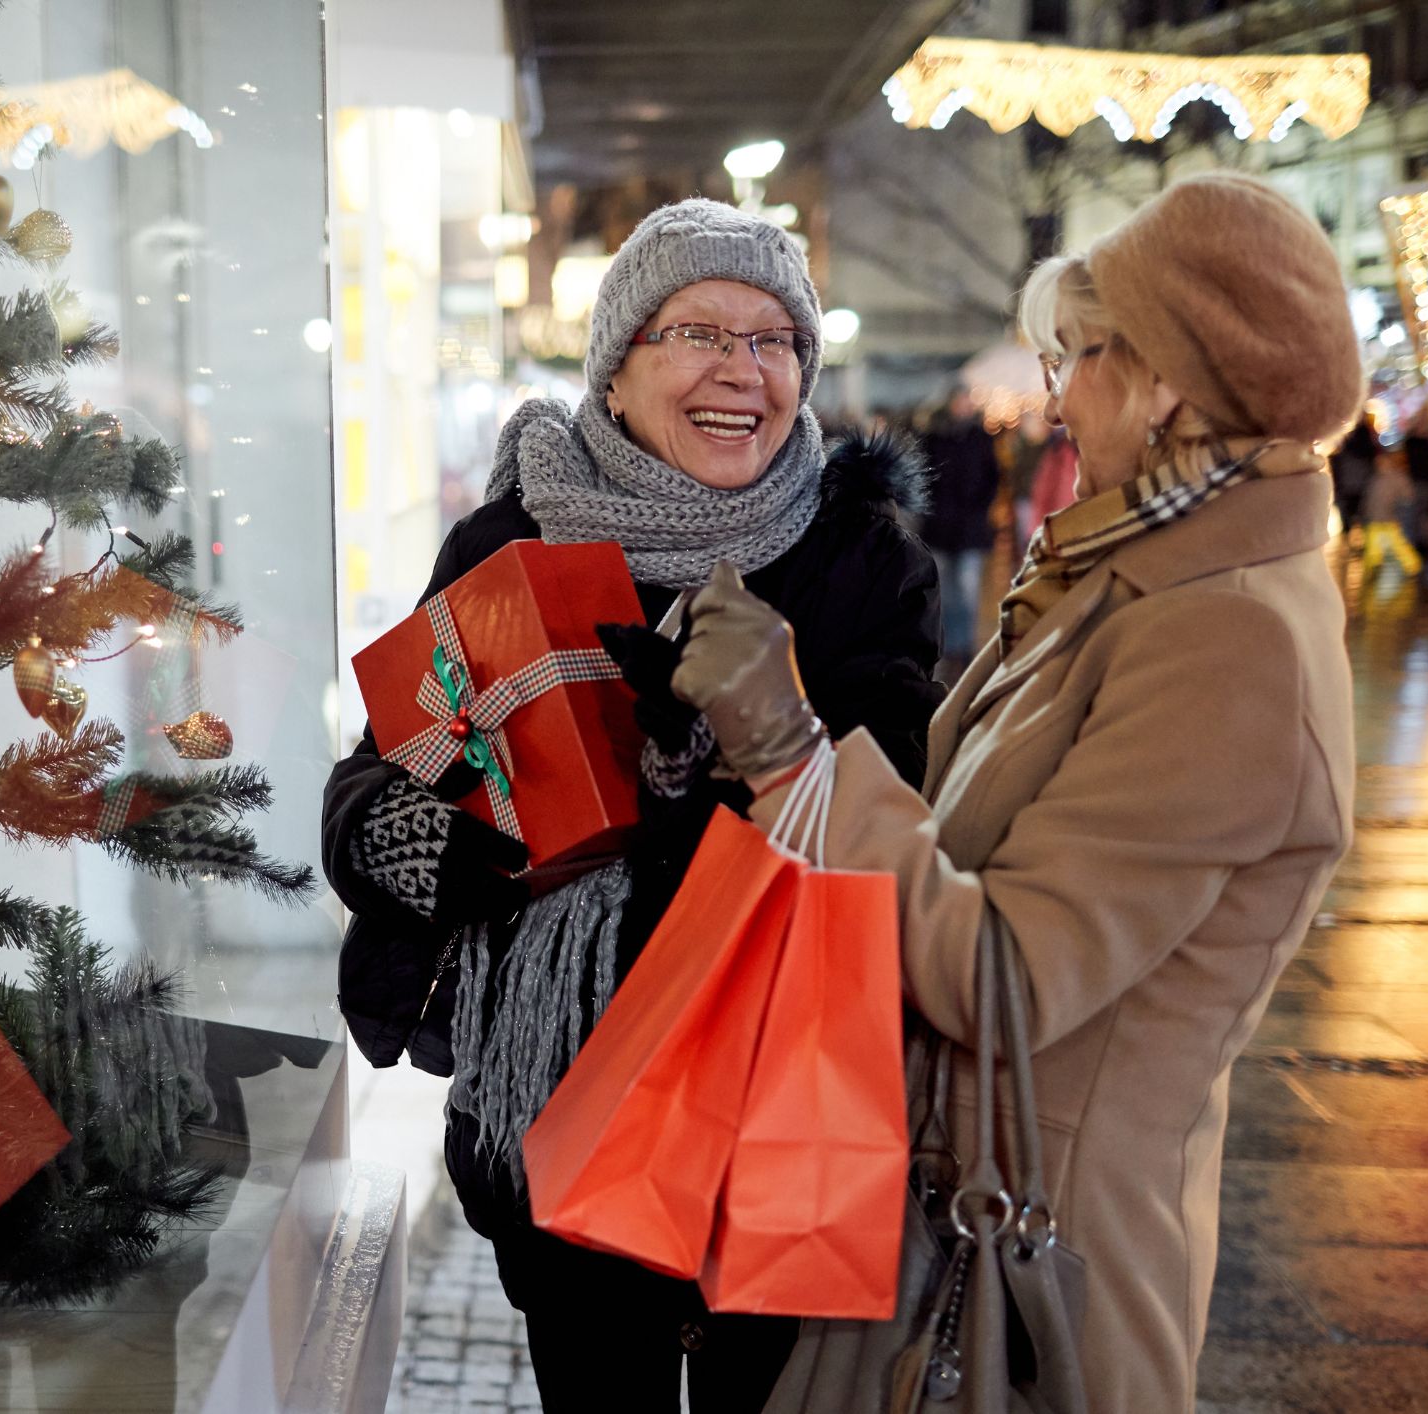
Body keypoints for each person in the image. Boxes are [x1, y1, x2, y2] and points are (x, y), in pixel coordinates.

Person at [670, 172, 1360, 1413]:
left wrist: (787, 751)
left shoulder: (1224, 639)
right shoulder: (1117, 579)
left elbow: (1006, 974)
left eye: (1076, 356)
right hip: (929, 1213)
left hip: (1025, 1278)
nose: (1049, 396)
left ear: (1164, 384)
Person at [323, 199, 944, 1412]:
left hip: (775, 1101)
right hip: (558, 1101)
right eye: (698, 331)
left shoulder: (860, 557)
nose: (740, 370)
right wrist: (442, 841)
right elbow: (381, 779)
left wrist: (686, 762)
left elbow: (888, 797)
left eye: (774, 342)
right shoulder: (504, 540)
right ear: (615, 371)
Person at [920, 387, 1002, 672]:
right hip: (940, 526)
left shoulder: (981, 439)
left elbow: (993, 477)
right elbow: (925, 476)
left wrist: (980, 507)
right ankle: (948, 643)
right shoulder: (935, 437)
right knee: (945, 590)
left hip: (969, 528)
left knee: (967, 590)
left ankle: (963, 645)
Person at [1358, 446, 1421, 583]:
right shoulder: (1376, 479)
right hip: (1375, 518)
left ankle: (1412, 566)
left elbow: (1408, 495)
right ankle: (1373, 567)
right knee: (1373, 544)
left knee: (1397, 543)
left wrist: (1401, 507)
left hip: (1388, 517)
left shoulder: (1395, 478)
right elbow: (1369, 498)